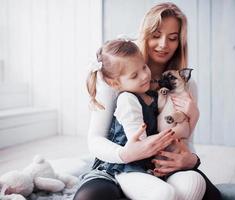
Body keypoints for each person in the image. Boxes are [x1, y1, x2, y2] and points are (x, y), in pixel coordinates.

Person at [74, 2, 222, 200]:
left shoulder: (183, 83)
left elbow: (184, 142)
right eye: (156, 35)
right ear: (144, 34)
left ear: (180, 42)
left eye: (172, 38)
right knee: (91, 197)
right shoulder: (116, 74)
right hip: (119, 165)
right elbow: (95, 139)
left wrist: (191, 159)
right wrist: (126, 154)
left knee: (205, 192)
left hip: (163, 167)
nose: (163, 44)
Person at [84, 39, 206, 200]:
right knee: (165, 194)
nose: (144, 76)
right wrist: (173, 133)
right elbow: (142, 145)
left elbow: (181, 132)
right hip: (129, 167)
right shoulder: (127, 100)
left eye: (143, 67)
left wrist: (192, 117)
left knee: (195, 182)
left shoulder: (152, 95)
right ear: (115, 83)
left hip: (152, 164)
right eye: (134, 75)